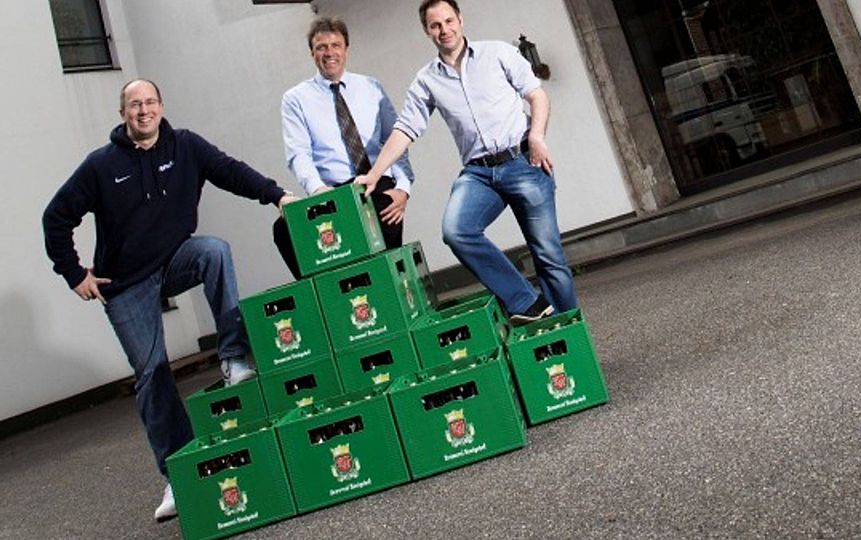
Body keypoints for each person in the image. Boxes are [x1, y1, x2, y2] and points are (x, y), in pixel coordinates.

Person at [41, 79, 297, 523]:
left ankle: (234, 358)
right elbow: (56, 217)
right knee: (152, 374)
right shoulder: (101, 165)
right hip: (125, 283)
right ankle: (181, 475)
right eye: (135, 105)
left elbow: (231, 171)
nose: (144, 111)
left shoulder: (185, 146)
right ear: (123, 113)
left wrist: (277, 195)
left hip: (176, 259)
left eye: (150, 103)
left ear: (161, 107)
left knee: (213, 250)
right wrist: (74, 273)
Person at [356, 0, 577, 324]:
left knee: (548, 256)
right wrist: (375, 173)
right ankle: (526, 301)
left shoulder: (498, 53)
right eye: (435, 25)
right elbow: (405, 129)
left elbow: (537, 94)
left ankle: (569, 334)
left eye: (448, 21)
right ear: (427, 31)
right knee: (456, 230)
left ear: (460, 19)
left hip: (523, 161)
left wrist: (537, 137)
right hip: (478, 174)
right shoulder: (427, 80)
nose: (444, 30)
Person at [275, 16, 415, 278]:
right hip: (331, 192)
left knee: (382, 257)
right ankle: (329, 299)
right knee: (283, 230)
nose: (329, 53)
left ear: (346, 49)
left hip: (375, 184)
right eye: (321, 47)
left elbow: (396, 140)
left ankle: (393, 298)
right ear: (312, 53)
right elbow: (298, 153)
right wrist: (317, 189)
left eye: (335, 45)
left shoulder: (371, 88)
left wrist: (403, 188)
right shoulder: (296, 99)